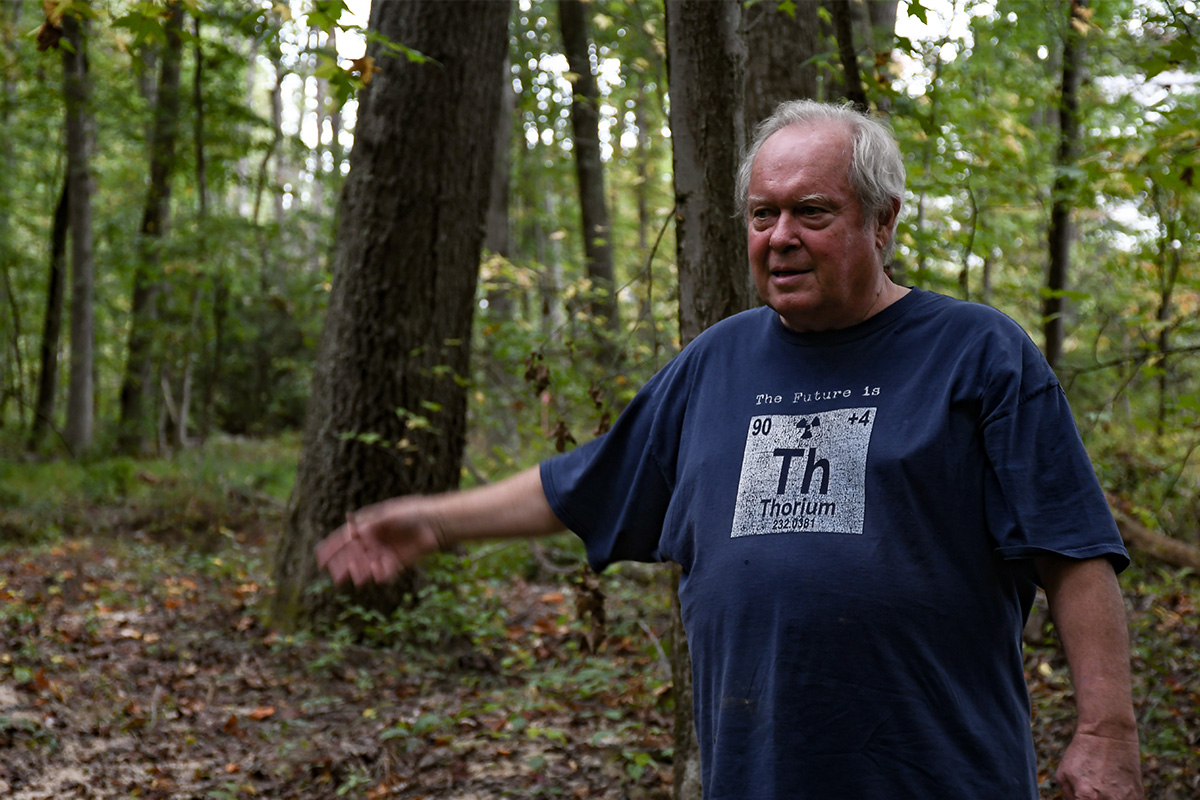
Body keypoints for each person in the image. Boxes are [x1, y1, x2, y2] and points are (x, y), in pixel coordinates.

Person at [317, 100, 1143, 800]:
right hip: (757, 773)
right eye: (762, 214)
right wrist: (432, 522)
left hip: (935, 770)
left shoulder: (978, 353)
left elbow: (1072, 550)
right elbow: (581, 485)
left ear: (884, 221)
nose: (779, 236)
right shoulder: (716, 363)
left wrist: (1107, 730)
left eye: (811, 213)